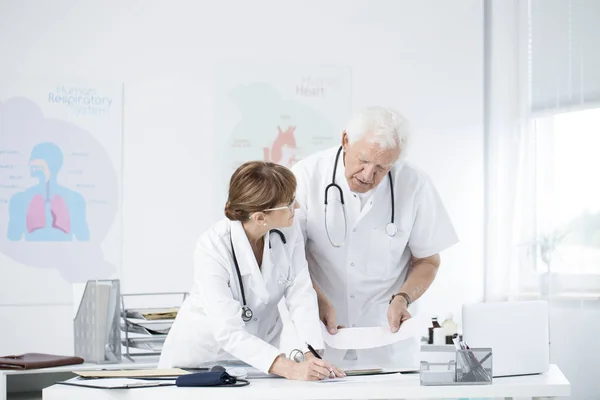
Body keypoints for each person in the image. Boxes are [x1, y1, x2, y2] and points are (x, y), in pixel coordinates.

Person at [291, 106, 459, 369]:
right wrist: (318, 298)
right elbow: (288, 258)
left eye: (382, 167)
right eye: (363, 160)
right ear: (346, 140)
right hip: (317, 338)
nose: (368, 175)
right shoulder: (306, 176)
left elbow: (428, 260)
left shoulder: (414, 184)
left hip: (385, 339)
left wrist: (404, 297)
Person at [158, 161, 345, 381]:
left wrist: (311, 354)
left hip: (257, 363)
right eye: (290, 202)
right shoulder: (213, 247)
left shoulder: (288, 233)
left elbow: (301, 296)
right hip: (199, 363)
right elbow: (228, 332)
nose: (297, 207)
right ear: (260, 217)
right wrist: (291, 369)